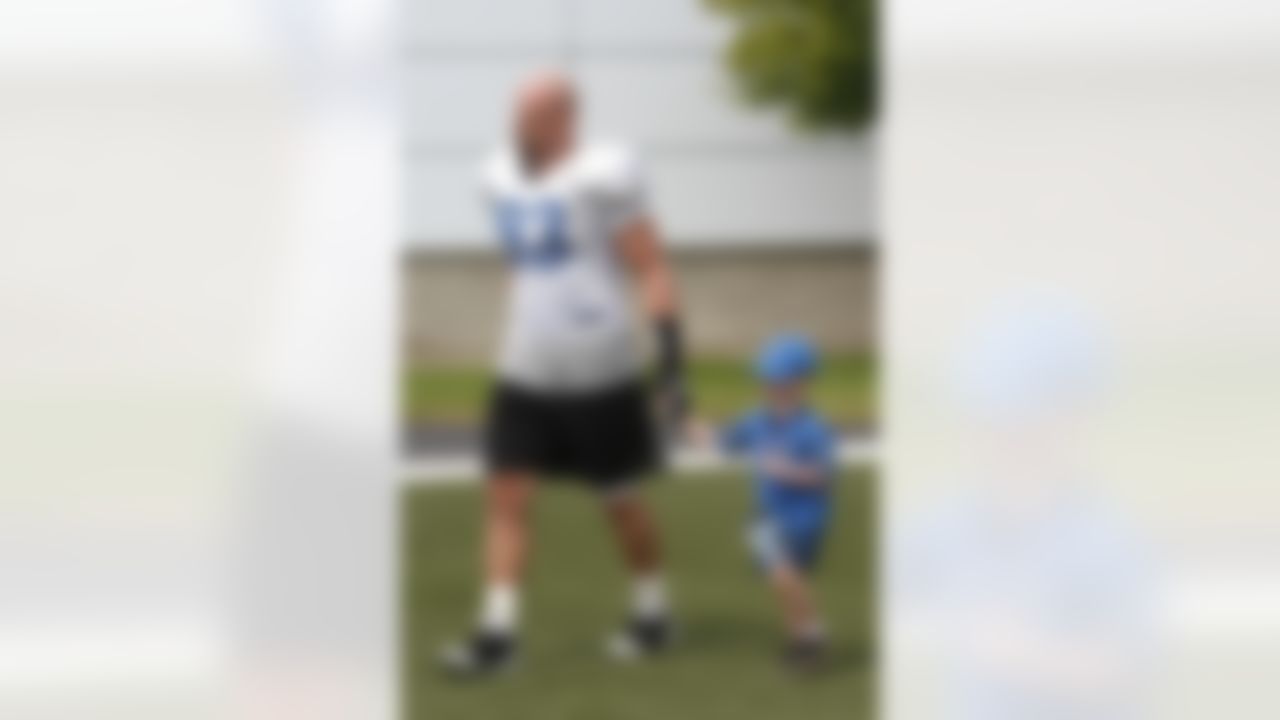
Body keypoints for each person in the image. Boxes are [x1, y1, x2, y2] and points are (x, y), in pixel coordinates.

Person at [439, 70, 689, 677]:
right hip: (524, 369)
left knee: (618, 499)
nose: (516, 122)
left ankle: (653, 614)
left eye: (530, 113)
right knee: (505, 496)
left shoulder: (605, 175)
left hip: (598, 372)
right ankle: (498, 636)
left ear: (562, 119)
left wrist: (671, 365)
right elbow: (519, 263)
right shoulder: (495, 174)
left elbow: (651, 266)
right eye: (515, 110)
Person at [721, 333, 838, 671]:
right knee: (782, 576)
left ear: (801, 383)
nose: (770, 386)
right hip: (768, 517)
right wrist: (688, 425)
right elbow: (726, 440)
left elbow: (822, 476)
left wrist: (787, 470)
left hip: (805, 518)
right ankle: (807, 638)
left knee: (789, 579)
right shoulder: (758, 419)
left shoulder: (813, 428)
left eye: (778, 380)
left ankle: (805, 637)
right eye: (766, 379)